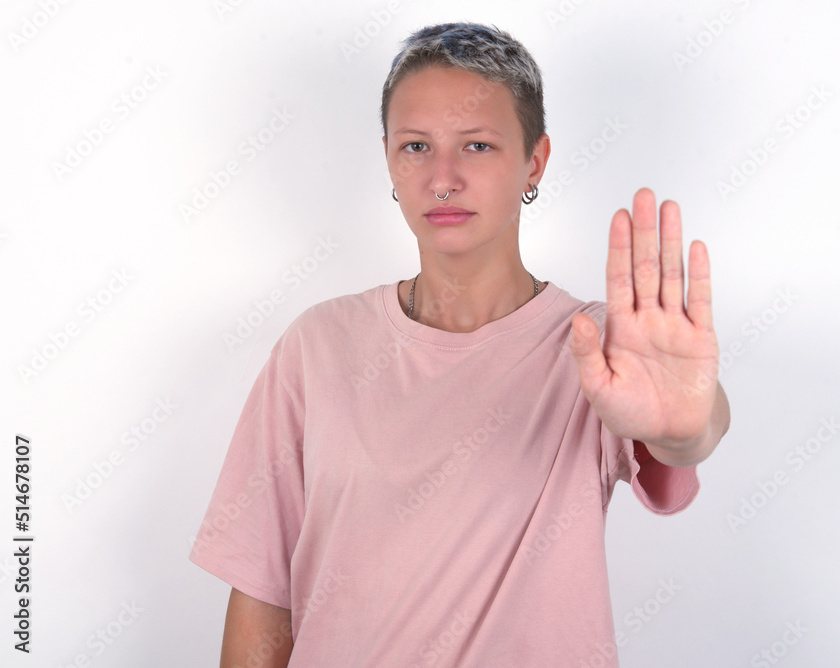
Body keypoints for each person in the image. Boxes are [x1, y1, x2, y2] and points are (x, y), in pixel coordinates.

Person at [189, 22, 730, 667]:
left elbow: (687, 430)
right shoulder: (319, 345)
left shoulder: (599, 350)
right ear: (389, 159)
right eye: (416, 146)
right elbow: (261, 587)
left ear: (535, 160)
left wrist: (687, 426)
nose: (443, 177)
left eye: (477, 145)